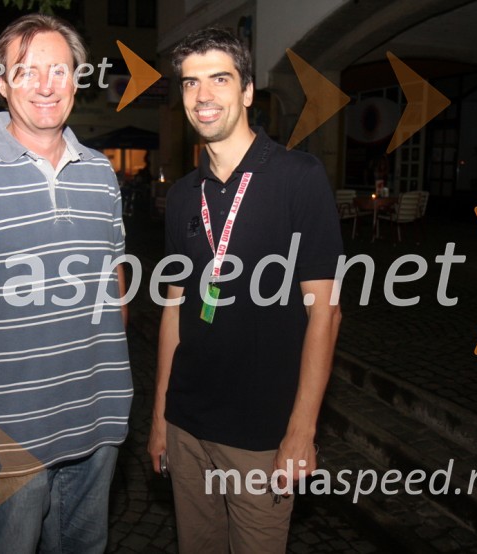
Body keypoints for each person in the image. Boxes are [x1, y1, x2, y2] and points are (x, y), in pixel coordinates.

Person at [0, 14, 132, 554]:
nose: (45, 85)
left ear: (76, 80)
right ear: (1, 82)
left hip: (97, 421)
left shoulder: (101, 173)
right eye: (27, 70)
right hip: (8, 437)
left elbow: (116, 280)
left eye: (59, 70)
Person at [147, 28, 343, 553]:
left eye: (219, 79)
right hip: (187, 427)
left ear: (248, 90)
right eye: (190, 83)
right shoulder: (185, 195)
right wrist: (161, 418)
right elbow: (173, 311)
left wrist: (301, 430)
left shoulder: (298, 177)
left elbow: (325, 312)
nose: (203, 96)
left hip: (262, 435)